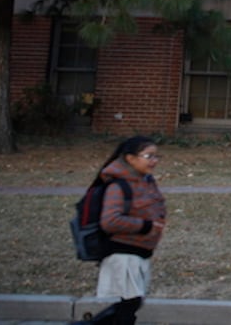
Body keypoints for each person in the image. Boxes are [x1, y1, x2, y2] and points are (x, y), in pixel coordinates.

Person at [73, 136, 167, 325]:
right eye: (148, 156)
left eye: (156, 156)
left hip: (140, 253)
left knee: (128, 306)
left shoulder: (145, 181)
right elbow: (110, 221)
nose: (154, 161)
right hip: (123, 254)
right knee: (128, 306)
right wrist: (146, 226)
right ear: (130, 158)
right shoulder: (118, 186)